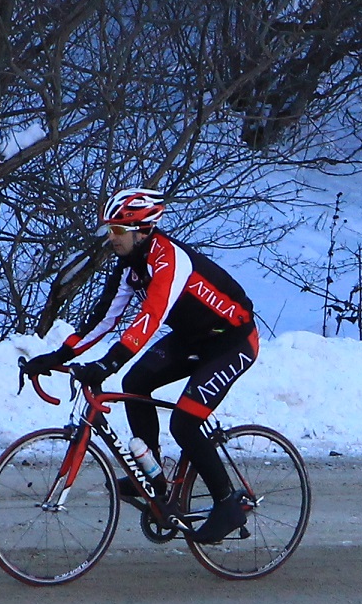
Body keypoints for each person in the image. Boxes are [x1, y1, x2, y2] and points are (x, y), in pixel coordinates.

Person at [23, 187, 259, 544]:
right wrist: (57, 357)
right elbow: (104, 319)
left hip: (233, 341)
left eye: (118, 231)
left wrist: (108, 363)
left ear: (143, 230)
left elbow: (150, 317)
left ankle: (227, 504)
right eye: (109, 230)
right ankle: (153, 476)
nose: (111, 238)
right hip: (194, 337)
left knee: (185, 422)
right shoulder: (130, 266)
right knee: (135, 382)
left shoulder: (170, 260)